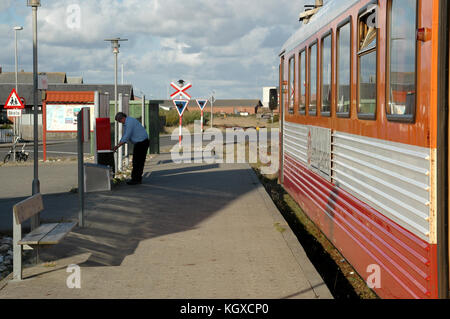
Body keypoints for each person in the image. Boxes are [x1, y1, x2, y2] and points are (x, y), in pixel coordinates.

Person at [113, 112, 149, 185]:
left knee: (137, 162)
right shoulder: (129, 121)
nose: (120, 123)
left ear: (122, 118)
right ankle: (137, 179)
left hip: (141, 143)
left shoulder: (129, 122)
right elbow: (126, 135)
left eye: (120, 121)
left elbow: (127, 135)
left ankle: (136, 179)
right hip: (141, 142)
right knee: (138, 161)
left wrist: (117, 145)